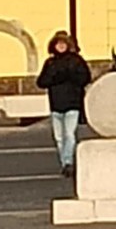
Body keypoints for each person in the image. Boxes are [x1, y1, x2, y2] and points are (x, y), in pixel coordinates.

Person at [36, 30, 91, 176]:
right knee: (59, 137)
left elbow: (85, 78)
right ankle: (64, 162)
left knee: (70, 134)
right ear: (53, 46)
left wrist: (70, 76)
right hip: (56, 105)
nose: (60, 46)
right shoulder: (50, 63)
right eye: (58, 44)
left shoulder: (76, 61)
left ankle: (68, 162)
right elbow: (41, 82)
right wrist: (55, 77)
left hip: (72, 103)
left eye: (63, 44)